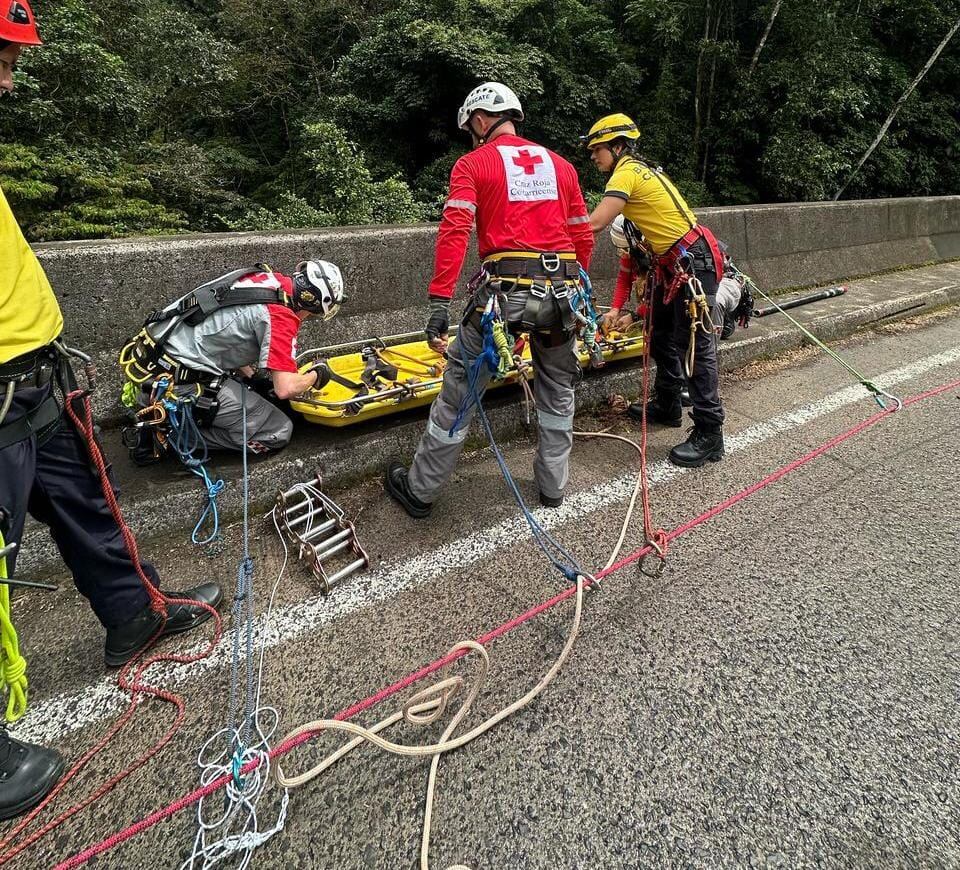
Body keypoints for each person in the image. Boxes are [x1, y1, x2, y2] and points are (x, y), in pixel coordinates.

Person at [0, 2, 222, 821]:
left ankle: (135, 615)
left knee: (91, 507)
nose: (8, 77)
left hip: (33, 387)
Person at [384, 82, 594, 517]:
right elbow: (582, 236)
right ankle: (553, 487)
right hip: (561, 295)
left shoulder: (472, 163)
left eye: (470, 128)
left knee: (460, 390)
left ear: (480, 121)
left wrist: (440, 302)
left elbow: (455, 231)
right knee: (557, 388)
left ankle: (421, 491)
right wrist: (578, 288)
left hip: (503, 297)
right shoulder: (562, 166)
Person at [584, 113, 725, 467]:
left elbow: (597, 222)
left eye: (596, 149)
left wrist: (549, 238)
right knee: (659, 333)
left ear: (617, 146)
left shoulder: (627, 172)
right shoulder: (640, 171)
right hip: (676, 262)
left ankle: (710, 434)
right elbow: (626, 269)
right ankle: (667, 404)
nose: (592, 156)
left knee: (695, 346)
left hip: (690, 261)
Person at [121, 260, 344, 459]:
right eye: (314, 313)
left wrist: (253, 376)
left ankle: (164, 419)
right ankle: (172, 437)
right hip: (175, 383)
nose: (308, 318)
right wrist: (316, 374)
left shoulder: (262, 279)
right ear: (311, 301)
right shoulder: (281, 316)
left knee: (254, 393)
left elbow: (226, 336)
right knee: (279, 430)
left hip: (148, 361)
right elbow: (285, 389)